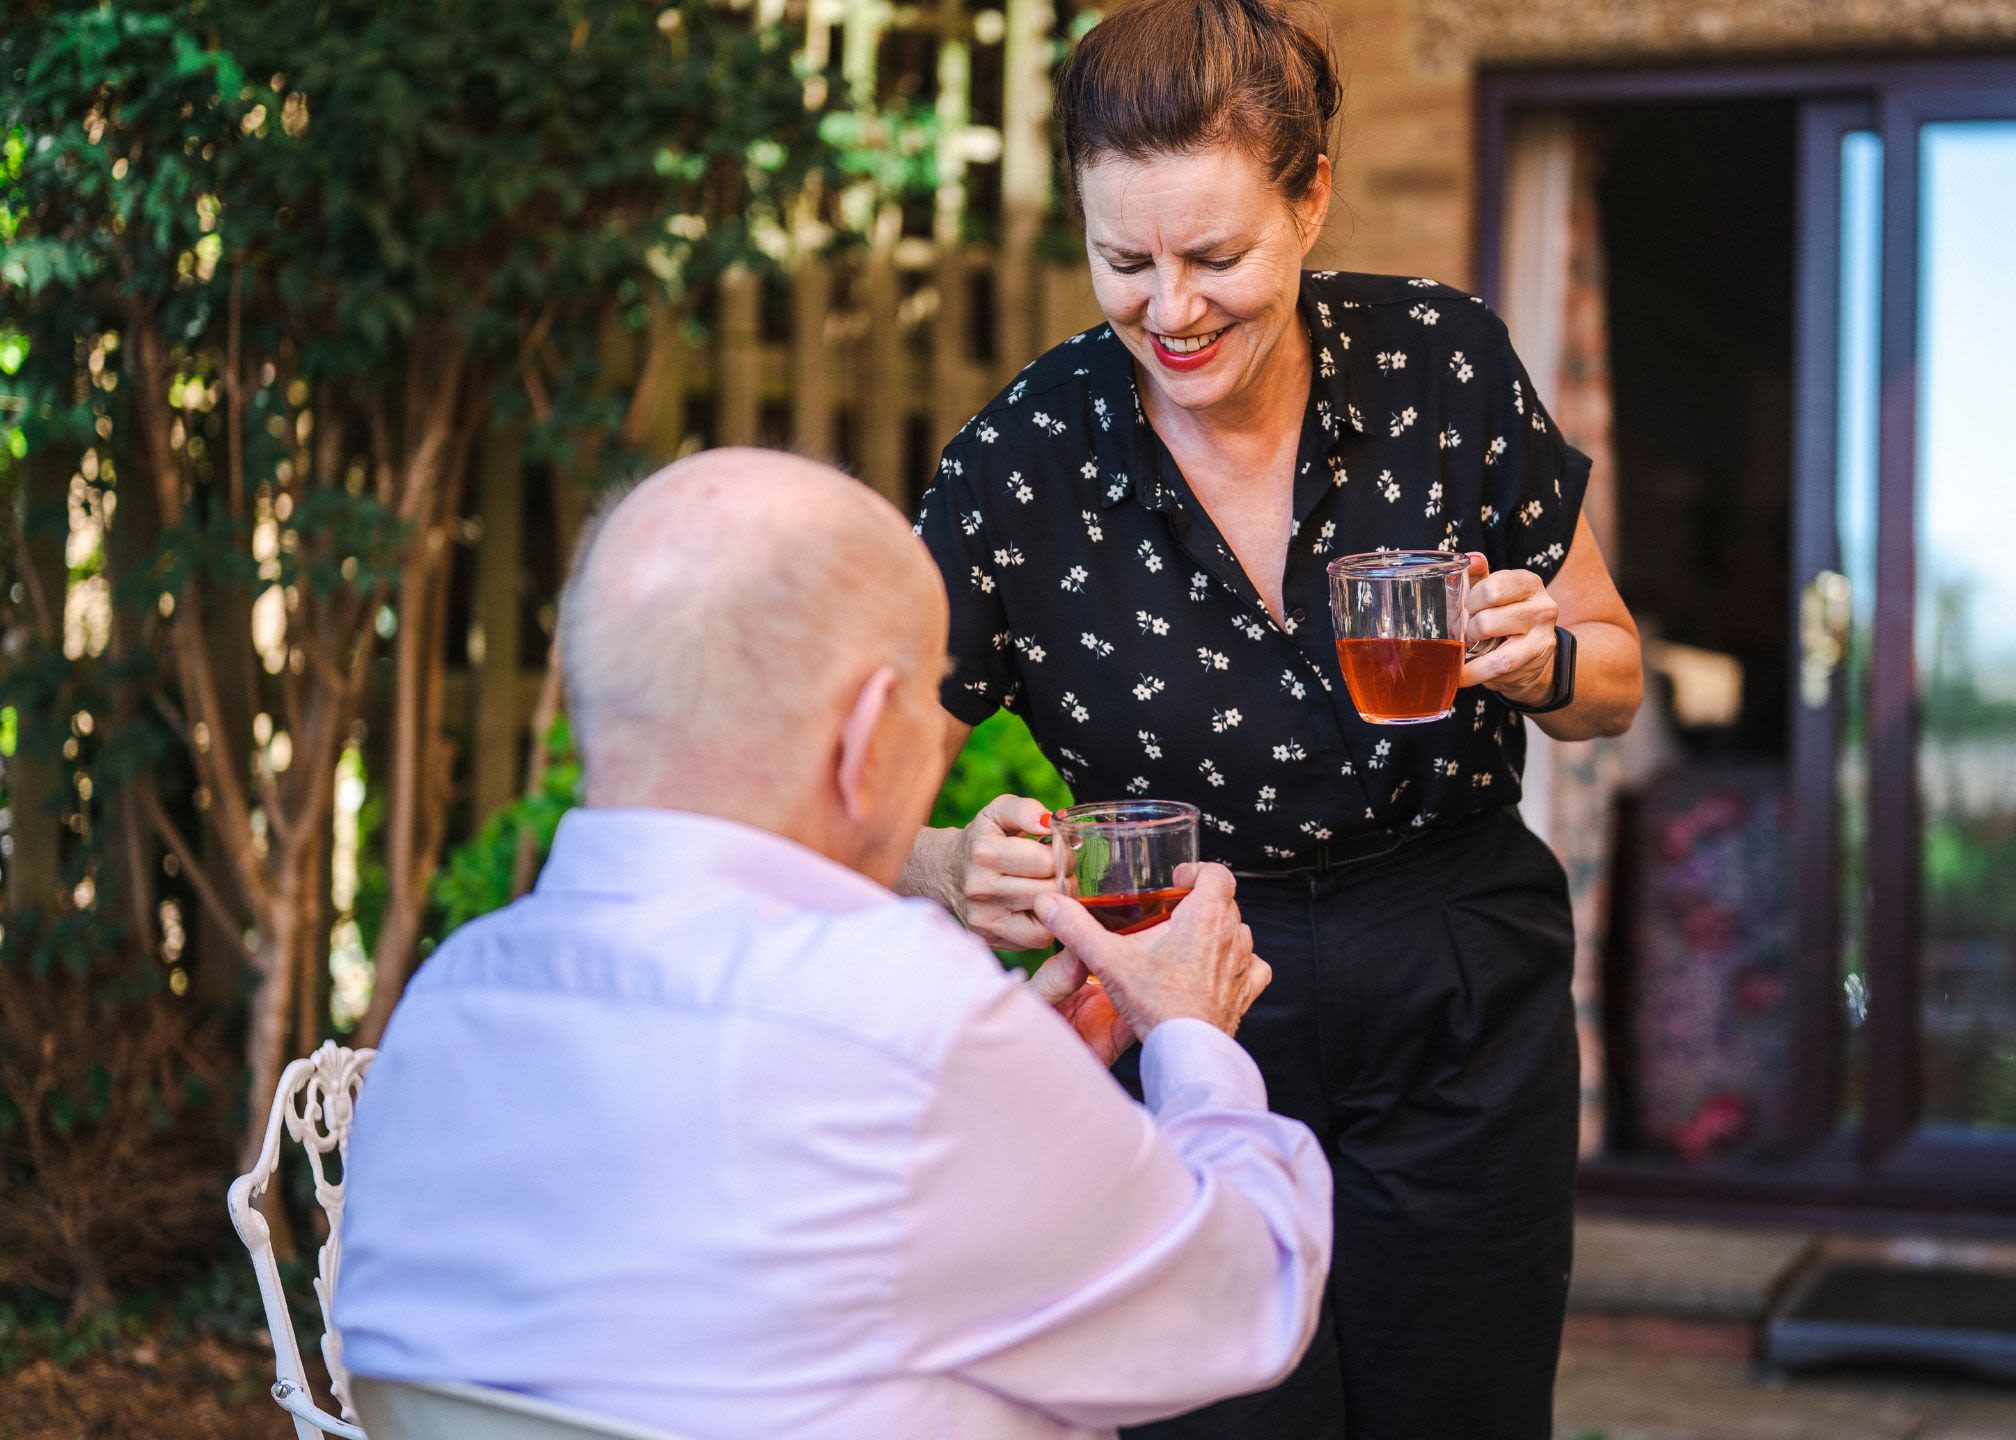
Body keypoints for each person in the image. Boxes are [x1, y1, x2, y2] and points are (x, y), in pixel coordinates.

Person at [901, 2, 1641, 1435]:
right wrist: (942, 864)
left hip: (1454, 979)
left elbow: (1612, 674)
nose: (1170, 309)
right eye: (1126, 261)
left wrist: (1539, 657)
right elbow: (841, 789)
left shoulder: (1442, 361)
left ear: (1310, 199)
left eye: (1215, 256)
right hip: (1186, 991)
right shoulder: (1022, 459)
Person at [333, 449, 1331, 1439]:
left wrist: (1024, 1079)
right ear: (864, 742)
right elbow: (1248, 1299)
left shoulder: (442, 1004)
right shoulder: (907, 1023)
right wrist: (1191, 1035)